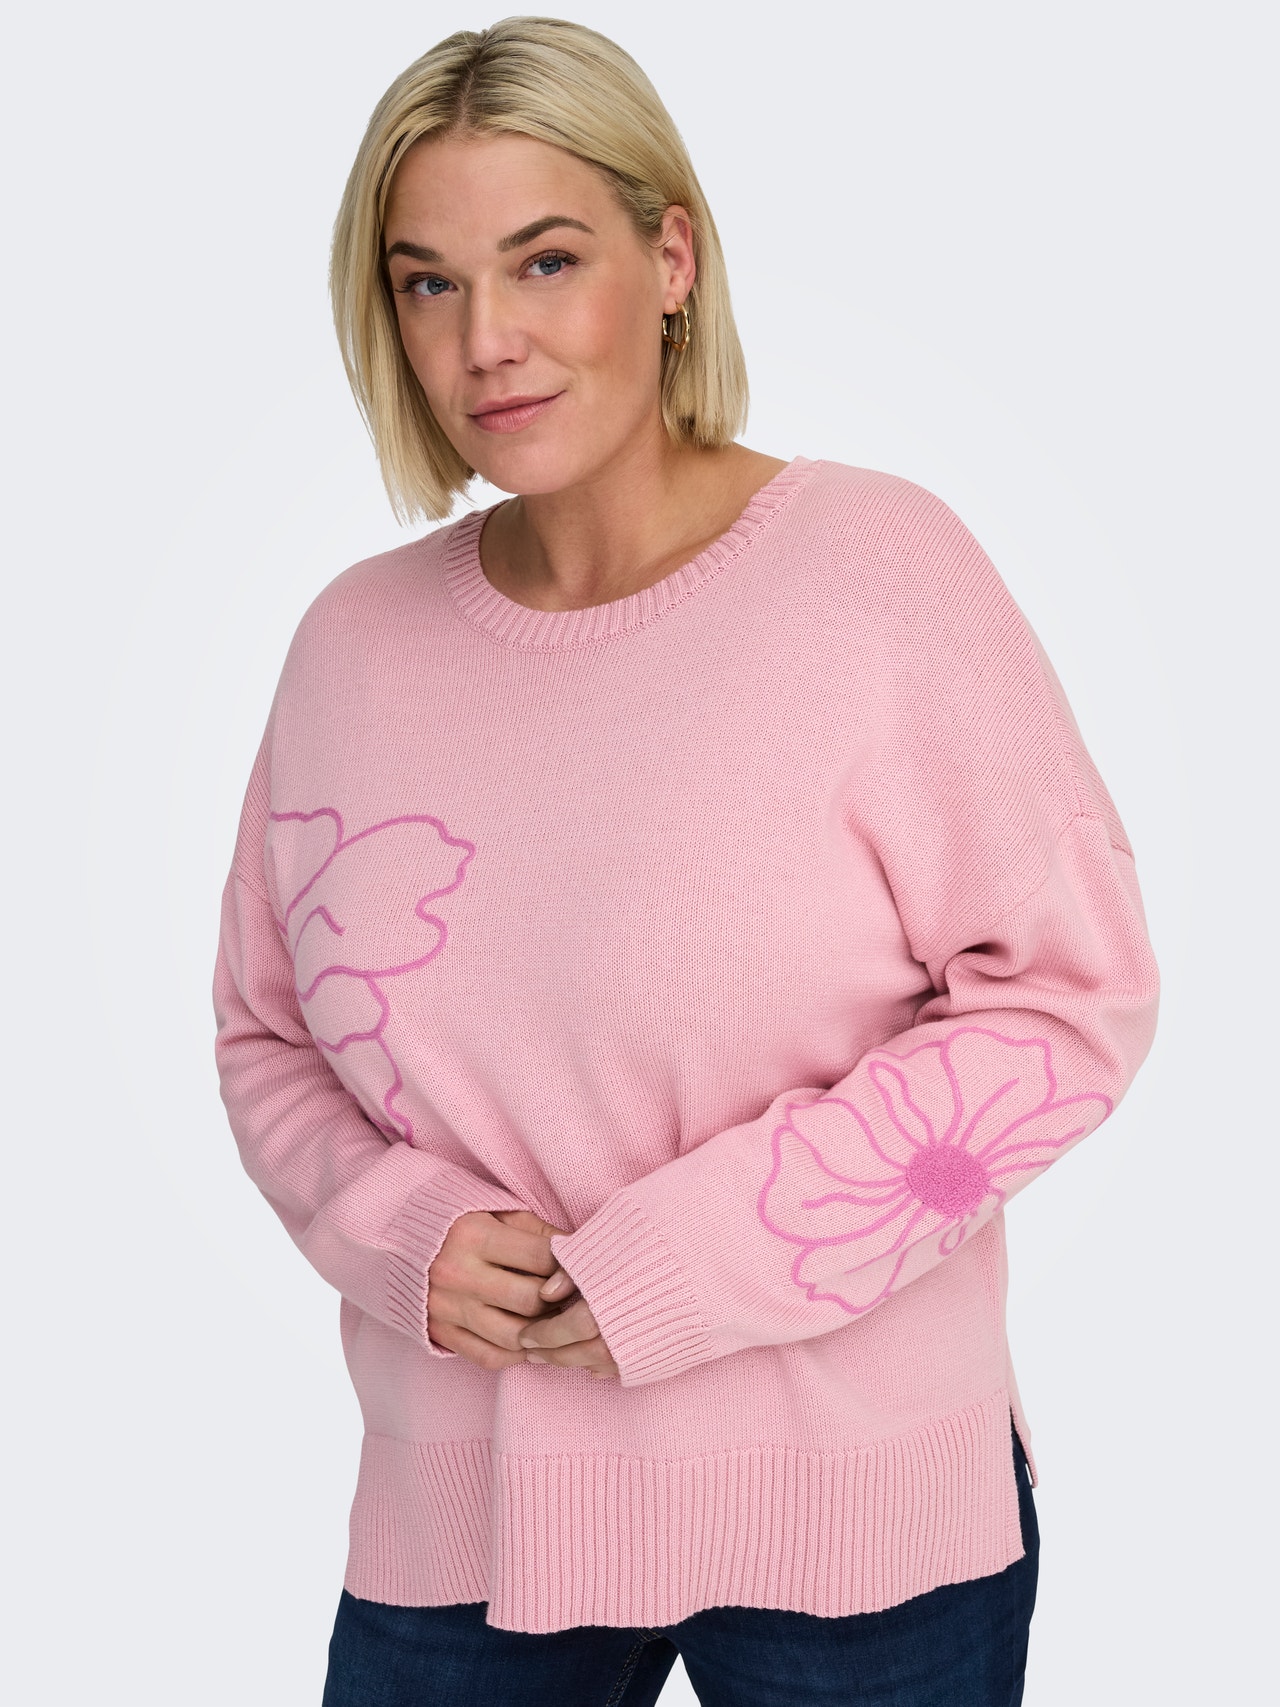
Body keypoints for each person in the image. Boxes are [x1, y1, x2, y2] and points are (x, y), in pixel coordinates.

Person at [211, 17, 1160, 1706]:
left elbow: (1068, 1012)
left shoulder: (876, 576)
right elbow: (267, 1037)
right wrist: (406, 1233)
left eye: (545, 260)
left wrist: (687, 1269)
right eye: (428, 283)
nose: (486, 341)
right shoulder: (354, 646)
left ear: (670, 259)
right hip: (465, 1523)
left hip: (853, 1524)